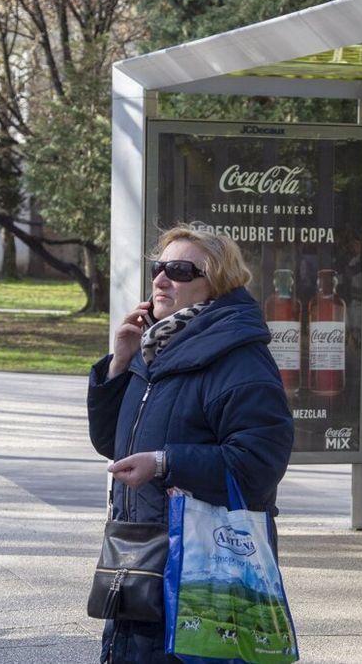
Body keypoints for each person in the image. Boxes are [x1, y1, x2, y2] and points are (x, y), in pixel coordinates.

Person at [88, 224, 294, 663]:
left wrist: (165, 463)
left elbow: (259, 463)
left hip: (202, 568)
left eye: (179, 270)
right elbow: (112, 444)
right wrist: (119, 365)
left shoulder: (239, 358)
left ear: (215, 284)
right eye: (159, 268)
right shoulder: (158, 348)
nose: (161, 280)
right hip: (141, 556)